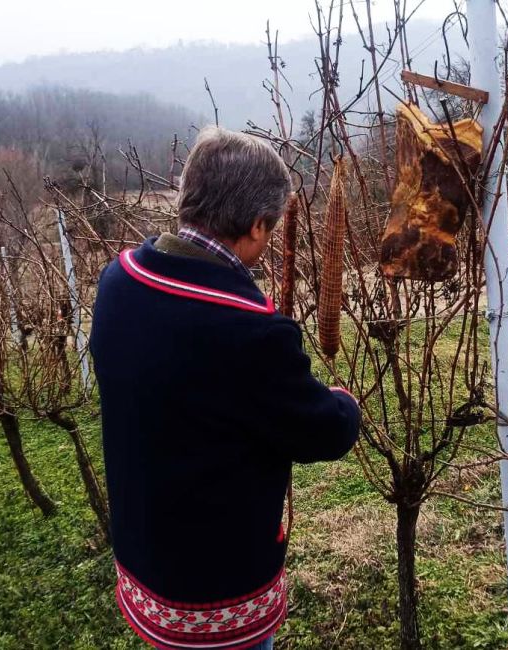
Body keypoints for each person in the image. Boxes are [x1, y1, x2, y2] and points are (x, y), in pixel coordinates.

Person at [90, 126, 361, 650]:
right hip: (215, 600)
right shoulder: (249, 331)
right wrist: (345, 403)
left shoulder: (117, 281)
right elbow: (321, 433)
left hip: (146, 569)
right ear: (259, 226)